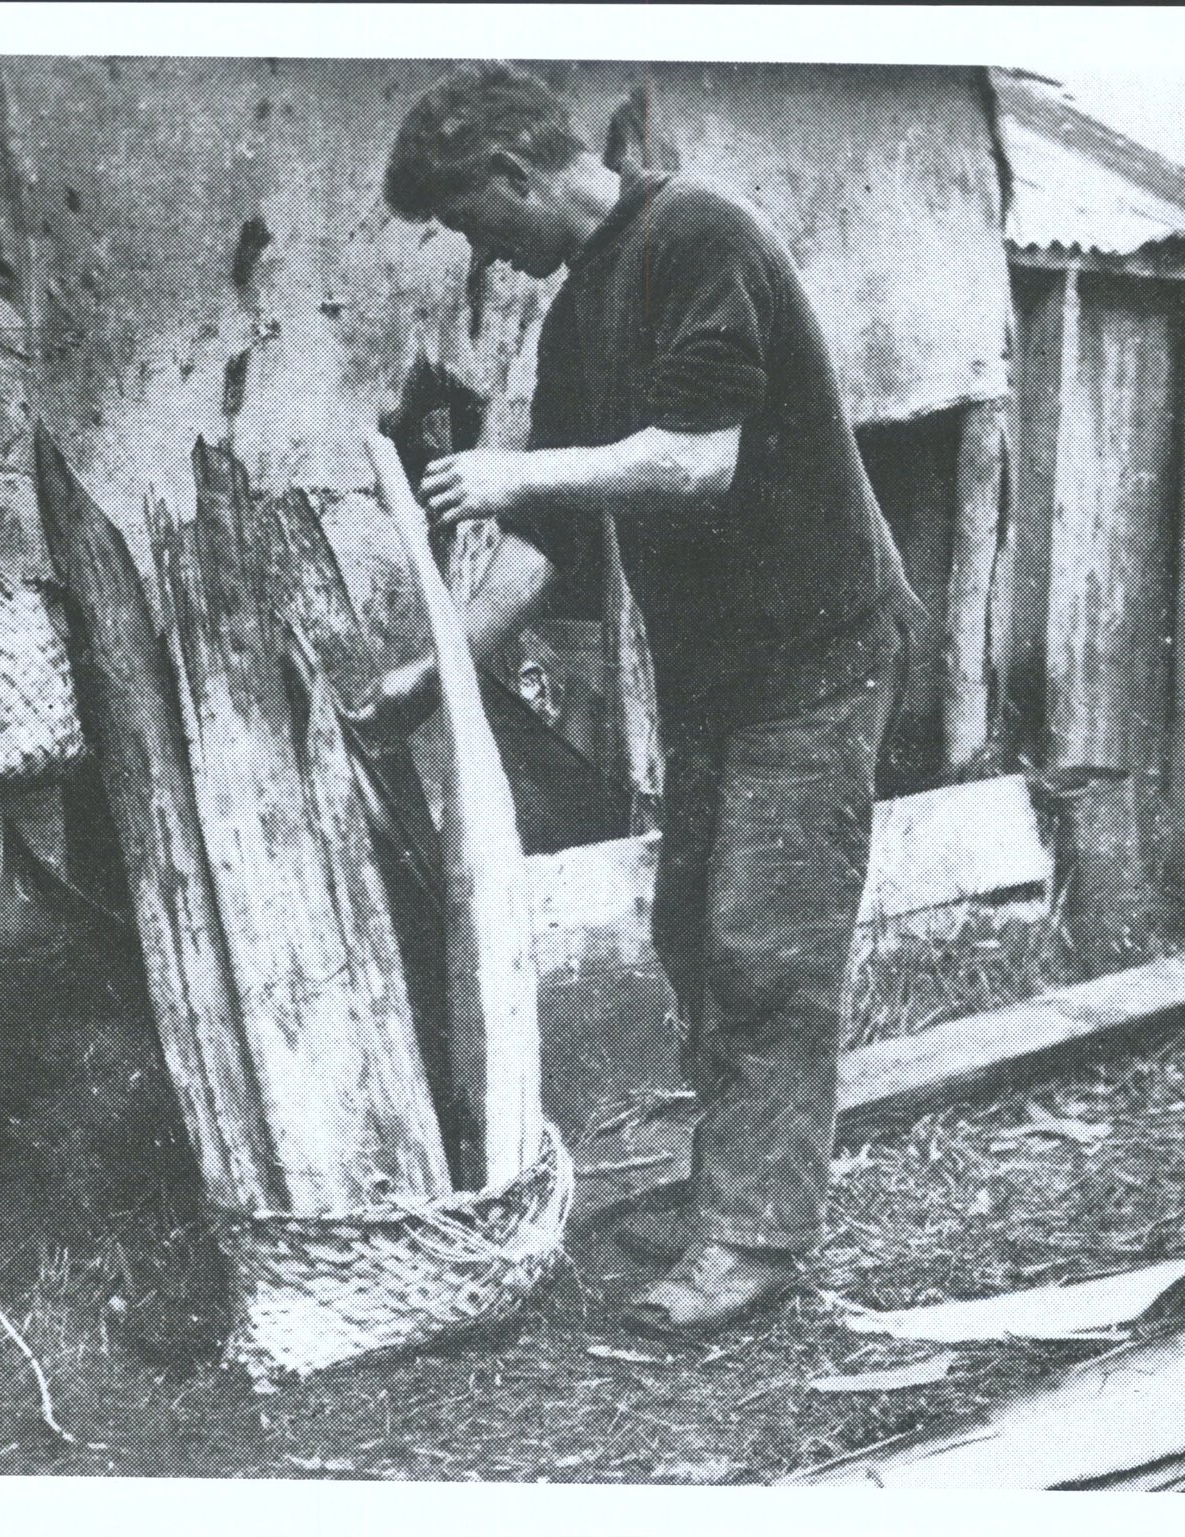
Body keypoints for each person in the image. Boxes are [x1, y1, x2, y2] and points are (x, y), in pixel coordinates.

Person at [357, 62, 928, 1333]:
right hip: (720, 679)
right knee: (694, 935)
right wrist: (438, 668)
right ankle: (733, 1191)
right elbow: (549, 538)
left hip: (817, 655)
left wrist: (514, 471)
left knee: (764, 948)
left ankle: (753, 1239)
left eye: (471, 222)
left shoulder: (699, 237)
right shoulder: (580, 313)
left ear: (510, 172)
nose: (484, 256)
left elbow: (695, 461)